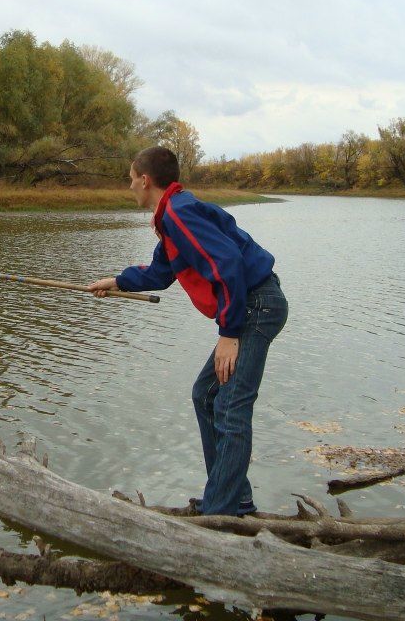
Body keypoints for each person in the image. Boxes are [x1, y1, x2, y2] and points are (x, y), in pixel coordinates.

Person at [88, 146, 288, 516]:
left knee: (230, 406)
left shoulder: (179, 214)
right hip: (249, 306)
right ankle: (233, 498)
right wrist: (116, 282)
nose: (129, 186)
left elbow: (227, 263)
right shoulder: (172, 216)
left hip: (256, 307)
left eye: (131, 178)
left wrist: (229, 333)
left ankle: (221, 515)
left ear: (145, 180)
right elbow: (160, 273)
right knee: (206, 395)